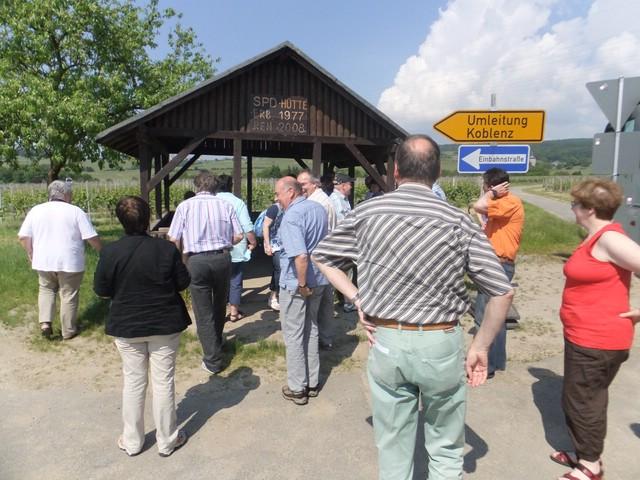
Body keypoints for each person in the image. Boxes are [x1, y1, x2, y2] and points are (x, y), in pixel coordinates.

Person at [312, 134, 514, 480]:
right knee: (446, 448)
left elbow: (323, 256)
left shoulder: (368, 212)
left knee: (393, 447)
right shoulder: (458, 220)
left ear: (395, 171)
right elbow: (501, 291)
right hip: (440, 341)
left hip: (386, 339)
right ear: (438, 172)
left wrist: (357, 298)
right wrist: (480, 347)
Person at [549, 179, 640, 480]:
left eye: (575, 204)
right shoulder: (598, 237)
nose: (572, 208)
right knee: (584, 398)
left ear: (589, 209)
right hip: (584, 336)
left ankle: (590, 465)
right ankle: (584, 452)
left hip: (598, 340)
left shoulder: (611, 239)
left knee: (583, 402)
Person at [94, 196, 190, 457]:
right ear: (148, 219)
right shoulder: (166, 250)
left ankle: (133, 441)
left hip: (127, 324)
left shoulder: (110, 252)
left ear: (120, 221)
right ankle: (167, 441)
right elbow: (183, 282)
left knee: (134, 382)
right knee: (163, 383)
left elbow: (101, 290)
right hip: (164, 323)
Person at [168, 171, 243, 375]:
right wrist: (225, 241)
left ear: (196, 186)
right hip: (222, 258)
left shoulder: (185, 206)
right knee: (219, 304)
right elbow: (239, 235)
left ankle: (212, 359)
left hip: (197, 260)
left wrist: (180, 260)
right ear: (215, 187)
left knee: (203, 311)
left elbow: (173, 238)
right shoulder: (226, 205)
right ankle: (216, 342)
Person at [18, 179, 101, 340]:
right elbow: (91, 237)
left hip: (43, 260)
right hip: (70, 261)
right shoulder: (76, 211)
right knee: (68, 294)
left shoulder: (36, 210)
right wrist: (103, 251)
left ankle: (45, 323)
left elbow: (23, 236)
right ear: (66, 195)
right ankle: (68, 330)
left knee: (46, 289)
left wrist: (30, 252)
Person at [275, 177, 329, 406]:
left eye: (278, 194)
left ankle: (297, 387)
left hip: (298, 283)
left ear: (290, 192)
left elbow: (301, 256)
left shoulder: (292, 216)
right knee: (312, 328)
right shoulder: (318, 209)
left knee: (294, 334)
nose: (277, 198)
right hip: (320, 278)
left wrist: (302, 283)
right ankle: (312, 382)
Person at [471, 167, 524, 378]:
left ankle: (487, 365)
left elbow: (477, 205)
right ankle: (496, 361)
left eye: (485, 186)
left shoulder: (509, 202)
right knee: (497, 315)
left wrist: (491, 193)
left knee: (485, 315)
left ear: (491, 186)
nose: (484, 189)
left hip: (499, 263)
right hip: (497, 262)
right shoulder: (501, 204)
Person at [298, 170, 337, 349]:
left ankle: (314, 342)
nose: (301, 188)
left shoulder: (317, 203)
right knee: (326, 303)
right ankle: (326, 339)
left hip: (319, 259)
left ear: (315, 184)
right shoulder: (321, 199)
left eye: (304, 184)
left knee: (315, 305)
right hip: (327, 258)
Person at [215, 174, 258, 322]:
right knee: (235, 279)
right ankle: (234, 312)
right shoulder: (238, 202)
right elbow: (246, 226)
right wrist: (253, 242)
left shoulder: (211, 201)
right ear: (231, 185)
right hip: (237, 246)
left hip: (215, 248)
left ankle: (219, 312)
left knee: (218, 281)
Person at [329, 172, 358, 312]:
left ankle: (346, 302)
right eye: (349, 184)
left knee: (345, 273)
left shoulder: (342, 199)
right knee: (339, 274)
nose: (351, 186)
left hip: (344, 243)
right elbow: (341, 224)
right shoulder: (336, 200)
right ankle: (335, 305)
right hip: (340, 243)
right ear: (343, 185)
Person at [263, 197, 284, 311]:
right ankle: (273, 296)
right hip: (276, 244)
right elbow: (265, 225)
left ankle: (276, 295)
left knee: (280, 270)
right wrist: (267, 244)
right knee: (279, 270)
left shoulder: (292, 207)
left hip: (288, 243)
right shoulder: (274, 208)